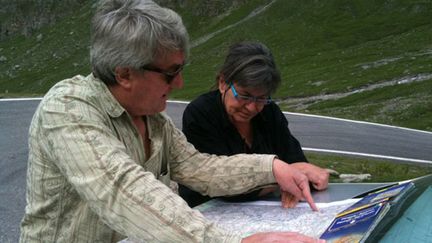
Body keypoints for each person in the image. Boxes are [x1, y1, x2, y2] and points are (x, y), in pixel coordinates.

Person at [19, 1, 325, 243]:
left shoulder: (153, 117)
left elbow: (199, 168)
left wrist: (271, 167)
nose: (179, 84)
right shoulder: (68, 109)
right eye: (170, 72)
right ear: (124, 73)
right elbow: (123, 190)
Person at [180, 41, 329, 207]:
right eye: (244, 95)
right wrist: (281, 175)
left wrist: (305, 173)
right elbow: (221, 185)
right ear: (223, 83)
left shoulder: (269, 111)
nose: (252, 107)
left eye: (261, 98)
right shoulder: (200, 113)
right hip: (209, 211)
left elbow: (297, 163)